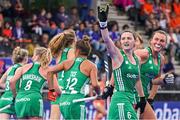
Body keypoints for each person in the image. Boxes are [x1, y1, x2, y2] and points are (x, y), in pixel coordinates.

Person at [98, 5, 148, 119]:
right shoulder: (118, 56)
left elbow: (138, 79)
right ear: (120, 42)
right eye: (123, 38)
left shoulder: (137, 59)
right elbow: (106, 39)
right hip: (120, 99)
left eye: (129, 38)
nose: (126, 40)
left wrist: (142, 98)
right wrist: (103, 23)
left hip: (129, 99)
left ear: (134, 42)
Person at [47, 35, 100, 120]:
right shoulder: (91, 65)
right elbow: (95, 85)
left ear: (77, 51)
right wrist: (99, 93)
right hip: (76, 100)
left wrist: (51, 91)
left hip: (63, 101)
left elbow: (49, 72)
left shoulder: (66, 63)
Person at [134, 30, 174, 119]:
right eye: (156, 39)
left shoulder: (161, 59)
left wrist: (164, 79)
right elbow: (124, 68)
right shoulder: (142, 53)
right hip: (130, 95)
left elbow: (155, 80)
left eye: (162, 41)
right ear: (151, 41)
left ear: (165, 44)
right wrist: (111, 86)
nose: (158, 42)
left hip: (143, 97)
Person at [9, 47, 59, 119]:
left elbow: (11, 82)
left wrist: (15, 96)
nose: (32, 57)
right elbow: (56, 90)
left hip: (20, 99)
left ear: (38, 56)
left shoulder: (23, 68)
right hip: (34, 99)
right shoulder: (48, 70)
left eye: (34, 55)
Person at [48, 29, 76, 120]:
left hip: (57, 86)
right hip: (67, 87)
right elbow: (72, 69)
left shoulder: (59, 53)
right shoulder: (71, 51)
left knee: (53, 118)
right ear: (73, 40)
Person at [0, 47, 28, 119]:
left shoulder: (10, 68)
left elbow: (0, 82)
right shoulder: (23, 69)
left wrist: (9, 87)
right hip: (16, 98)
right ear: (25, 58)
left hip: (4, 99)